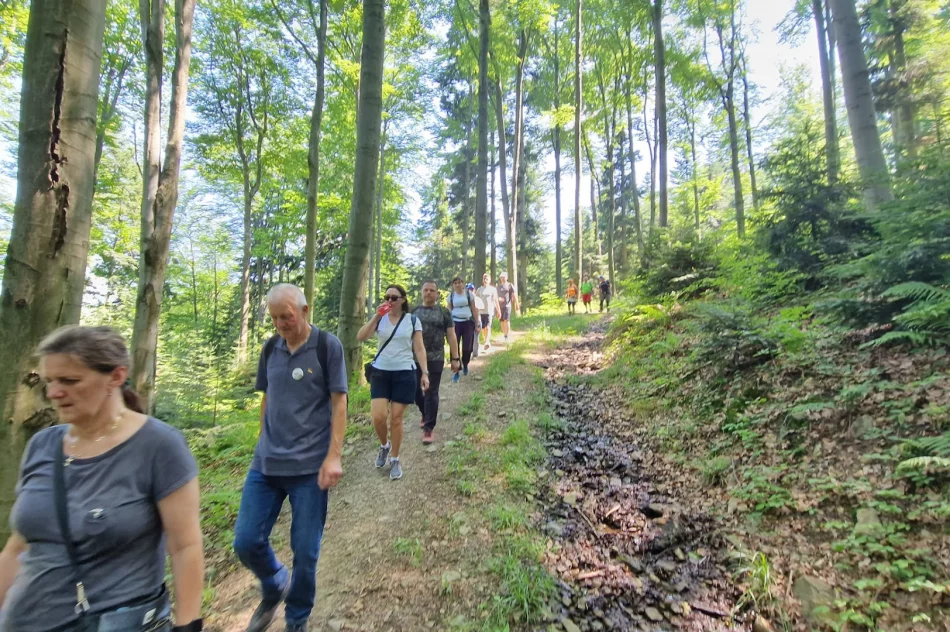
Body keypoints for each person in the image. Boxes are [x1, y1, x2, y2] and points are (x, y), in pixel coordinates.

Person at [0, 326, 204, 632]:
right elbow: (19, 546)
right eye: (50, 381)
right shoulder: (42, 446)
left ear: (116, 377)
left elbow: (184, 546)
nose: (54, 392)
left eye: (70, 380)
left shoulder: (158, 445)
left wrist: (187, 626)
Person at [234, 284, 348, 632]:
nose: (281, 323)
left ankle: (296, 618)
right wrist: (261, 438)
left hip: (309, 469)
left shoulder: (327, 346)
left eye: (287, 316)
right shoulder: (270, 349)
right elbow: (267, 397)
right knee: (246, 541)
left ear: (304, 310)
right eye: (274, 318)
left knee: (305, 550)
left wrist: (333, 456)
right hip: (266, 464)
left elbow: (339, 402)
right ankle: (274, 585)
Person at [357, 283, 429, 480]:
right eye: (387, 297)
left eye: (394, 298)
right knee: (379, 417)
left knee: (396, 419)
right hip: (381, 372)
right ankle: (384, 446)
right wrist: (376, 316)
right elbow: (361, 336)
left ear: (402, 300)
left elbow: (420, 348)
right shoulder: (380, 320)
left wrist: (425, 373)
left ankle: (395, 458)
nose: (389, 301)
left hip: (404, 373)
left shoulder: (413, 321)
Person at [412, 281, 461, 444]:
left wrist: (455, 358)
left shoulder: (444, 312)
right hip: (413, 359)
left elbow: (452, 336)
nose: (428, 293)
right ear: (421, 292)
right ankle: (425, 414)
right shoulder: (413, 312)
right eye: (425, 290)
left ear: (437, 294)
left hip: (436, 358)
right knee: (415, 391)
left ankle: (428, 428)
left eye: (432, 290)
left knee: (431, 392)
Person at [447, 276, 480, 381]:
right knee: (454, 346)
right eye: (455, 283)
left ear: (463, 284)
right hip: (455, 323)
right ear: (453, 285)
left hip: (468, 322)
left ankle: (465, 363)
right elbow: (448, 311)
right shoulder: (451, 296)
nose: (457, 284)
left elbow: (474, 309)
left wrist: (477, 323)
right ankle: (456, 371)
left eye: (459, 282)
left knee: (467, 347)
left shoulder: (469, 294)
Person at [476, 273, 502, 351]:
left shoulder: (492, 289)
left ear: (490, 280)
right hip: (481, 312)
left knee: (488, 327)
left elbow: (495, 300)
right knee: (483, 328)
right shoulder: (479, 290)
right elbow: (476, 300)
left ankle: (487, 341)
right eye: (484, 278)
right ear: (482, 280)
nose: (485, 280)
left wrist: (498, 311)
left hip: (489, 311)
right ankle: (485, 340)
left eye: (487, 278)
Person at [496, 272, 519, 342]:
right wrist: (498, 299)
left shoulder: (510, 285)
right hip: (500, 306)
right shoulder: (498, 287)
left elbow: (514, 295)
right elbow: (495, 296)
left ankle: (507, 335)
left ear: (506, 278)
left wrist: (517, 304)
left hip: (507, 305)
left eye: (504, 277)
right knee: (502, 321)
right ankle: (504, 335)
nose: (502, 278)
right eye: (501, 277)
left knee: (506, 320)